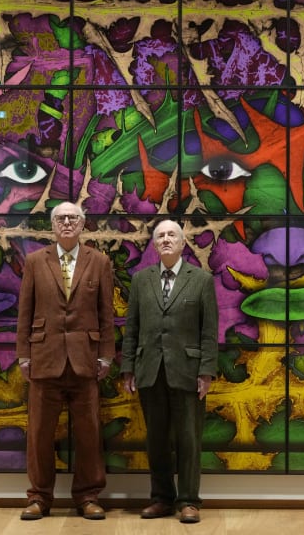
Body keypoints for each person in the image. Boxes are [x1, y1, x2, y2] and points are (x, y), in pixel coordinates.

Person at [15, 202, 115, 521]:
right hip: (44, 359)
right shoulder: (34, 261)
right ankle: (40, 497)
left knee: (89, 433)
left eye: (73, 218)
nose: (67, 222)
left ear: (83, 224)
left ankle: (87, 496)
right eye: (61, 218)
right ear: (53, 225)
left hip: (86, 360)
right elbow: (25, 311)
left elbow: (106, 314)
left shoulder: (99, 262)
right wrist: (23, 354)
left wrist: (106, 355)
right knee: (40, 433)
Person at [121, 220, 219, 524]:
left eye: (171, 235)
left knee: (189, 438)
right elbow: (132, 327)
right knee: (157, 439)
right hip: (149, 369)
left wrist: (206, 371)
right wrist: (128, 368)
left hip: (188, 372)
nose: (165, 239)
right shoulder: (140, 280)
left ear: (182, 243)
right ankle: (161, 498)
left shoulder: (201, 280)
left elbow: (209, 332)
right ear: (154, 243)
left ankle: (189, 500)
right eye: (160, 235)